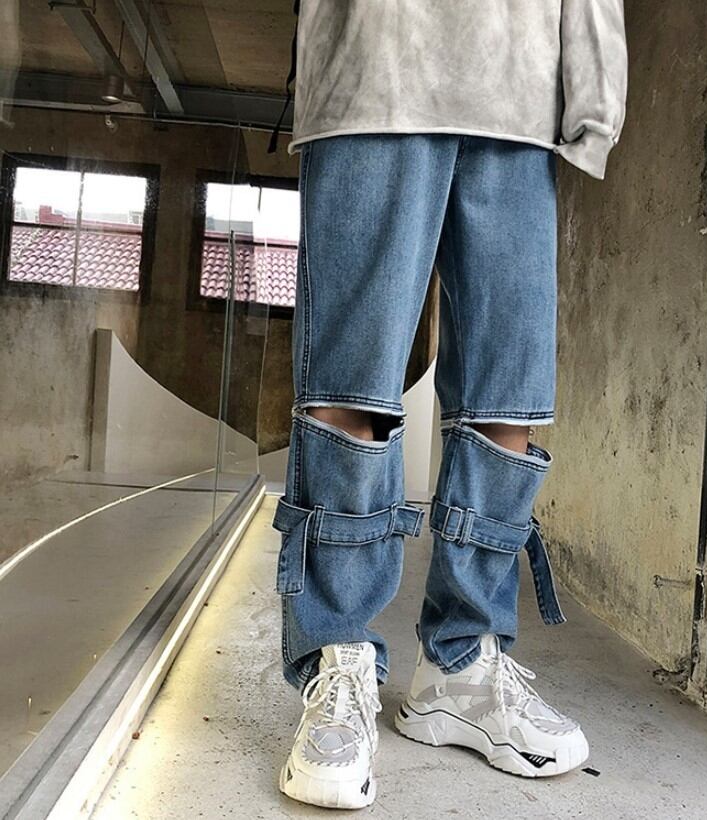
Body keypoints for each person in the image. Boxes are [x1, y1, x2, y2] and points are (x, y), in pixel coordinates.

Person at [271, 1, 627, 809]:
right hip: (374, 68)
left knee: (509, 404)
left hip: (519, 92)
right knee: (350, 395)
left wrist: (594, 94)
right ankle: (338, 655)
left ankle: (460, 667)